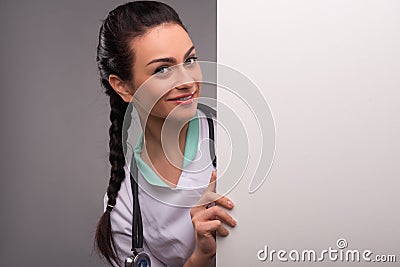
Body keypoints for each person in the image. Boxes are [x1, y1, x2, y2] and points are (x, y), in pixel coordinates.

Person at [94, 1, 237, 266]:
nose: (186, 81)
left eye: (190, 60)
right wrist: (201, 256)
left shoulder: (234, 143)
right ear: (123, 87)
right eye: (162, 70)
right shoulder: (124, 202)